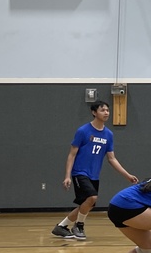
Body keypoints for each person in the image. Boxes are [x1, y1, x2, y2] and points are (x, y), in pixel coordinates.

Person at [51, 101, 137, 241]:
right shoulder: (83, 131)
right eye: (102, 110)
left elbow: (112, 158)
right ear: (94, 112)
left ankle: (61, 226)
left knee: (87, 204)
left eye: (107, 110)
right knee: (92, 198)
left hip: (94, 175)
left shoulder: (108, 134)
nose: (106, 113)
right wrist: (67, 176)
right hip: (80, 172)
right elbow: (72, 154)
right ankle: (79, 226)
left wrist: (127, 175)